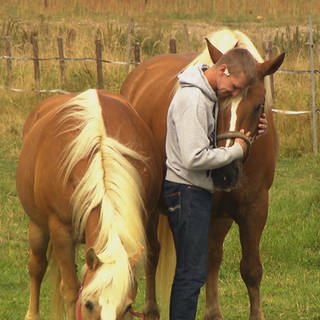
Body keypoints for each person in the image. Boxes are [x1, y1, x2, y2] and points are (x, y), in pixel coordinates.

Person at [163, 47, 268, 320]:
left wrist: (252, 126)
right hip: (186, 192)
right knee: (191, 273)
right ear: (223, 70)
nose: (233, 94)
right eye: (233, 87)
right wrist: (237, 151)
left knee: (192, 271)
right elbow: (193, 157)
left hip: (192, 191)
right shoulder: (193, 100)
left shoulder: (206, 95)